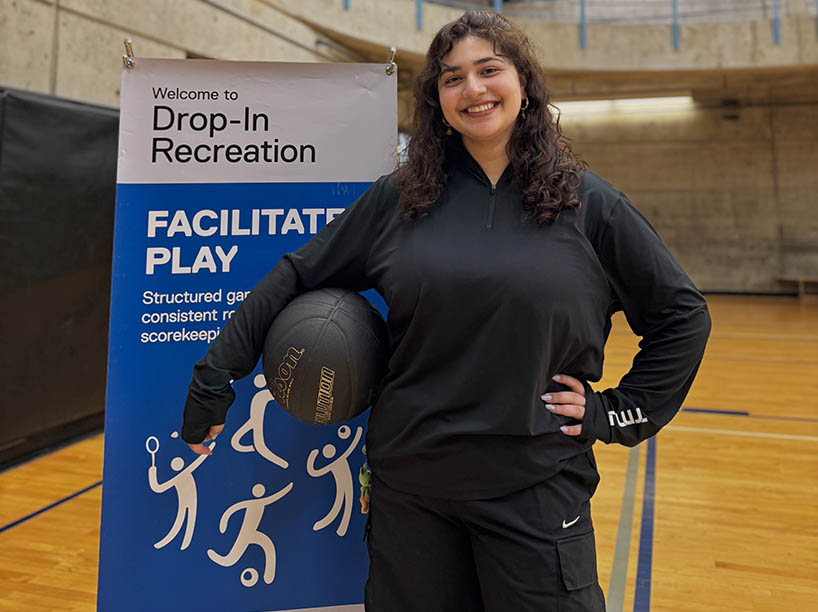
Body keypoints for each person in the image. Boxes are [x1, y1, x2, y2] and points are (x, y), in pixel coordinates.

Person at [182, 10, 711, 612]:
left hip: (534, 490)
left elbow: (682, 316)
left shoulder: (589, 205)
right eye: (452, 78)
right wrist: (213, 379)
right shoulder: (401, 200)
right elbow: (296, 274)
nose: (474, 90)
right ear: (436, 98)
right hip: (413, 491)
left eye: (489, 70)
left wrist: (614, 414)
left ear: (524, 84)